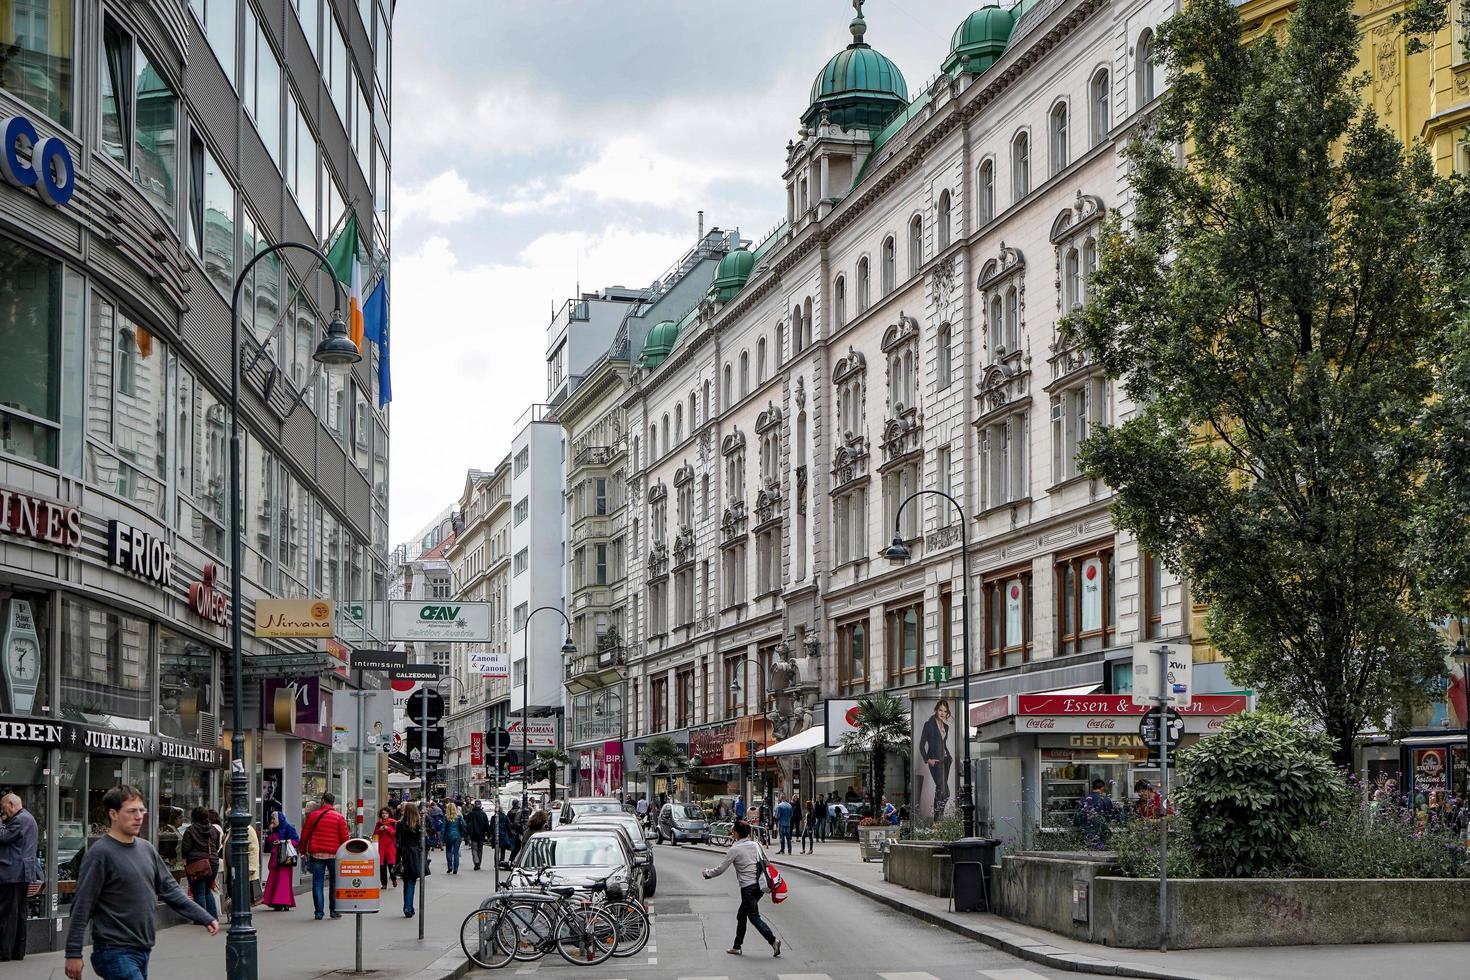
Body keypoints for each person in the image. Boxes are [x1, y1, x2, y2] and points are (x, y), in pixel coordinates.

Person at [64, 785, 218, 980]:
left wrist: (204, 916)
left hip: (142, 949)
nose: (139, 816)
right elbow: (82, 905)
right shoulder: (100, 854)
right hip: (113, 951)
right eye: (131, 811)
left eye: (141, 810)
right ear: (113, 814)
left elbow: (171, 890)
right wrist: (73, 953)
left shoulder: (146, 849)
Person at [701, 820, 781, 958]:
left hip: (748, 888)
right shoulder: (756, 844)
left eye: (733, 830)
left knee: (753, 916)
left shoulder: (735, 849)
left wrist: (707, 873)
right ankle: (737, 946)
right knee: (741, 915)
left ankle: (773, 940)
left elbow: (721, 869)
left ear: (736, 833)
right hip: (760, 886)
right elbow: (766, 861)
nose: (732, 832)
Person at [0, 793, 39, 961]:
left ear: (11, 804)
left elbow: (3, 837)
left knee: (8, 913)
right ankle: (17, 951)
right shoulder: (27, 818)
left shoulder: (20, 819)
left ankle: (4, 952)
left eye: (3, 809)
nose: (3, 812)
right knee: (19, 912)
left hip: (12, 872)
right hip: (20, 872)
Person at [301, 793, 349, 920]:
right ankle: (334, 911)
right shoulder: (339, 817)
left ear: (323, 801)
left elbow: (305, 835)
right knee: (334, 882)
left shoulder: (313, 816)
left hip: (316, 853)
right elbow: (345, 838)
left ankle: (318, 912)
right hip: (334, 854)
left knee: (317, 883)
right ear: (333, 803)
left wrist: (302, 851)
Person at [180, 808, 221, 919]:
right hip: (213, 862)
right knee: (207, 890)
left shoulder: (190, 830)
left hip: (197, 863)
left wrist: (185, 858)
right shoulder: (214, 830)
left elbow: (186, 848)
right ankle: (213, 916)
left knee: (199, 892)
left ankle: (201, 918)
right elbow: (217, 845)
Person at [920, 699, 954, 821]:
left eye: (945, 711)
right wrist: (927, 759)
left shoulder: (946, 727)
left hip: (945, 761)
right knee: (943, 789)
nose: (942, 713)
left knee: (942, 791)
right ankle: (938, 818)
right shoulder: (929, 724)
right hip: (935, 761)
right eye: (940, 710)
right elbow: (921, 745)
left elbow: (943, 744)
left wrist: (949, 756)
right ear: (936, 710)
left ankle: (938, 818)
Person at [262, 811, 299, 911]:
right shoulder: (274, 830)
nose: (272, 821)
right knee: (274, 879)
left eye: (274, 818)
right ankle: (277, 902)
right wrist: (270, 832)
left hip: (284, 859)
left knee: (283, 881)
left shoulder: (288, 827)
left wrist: (283, 842)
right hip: (275, 858)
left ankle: (283, 902)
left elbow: (296, 841)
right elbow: (269, 843)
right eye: (272, 818)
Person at [395, 803, 424, 918]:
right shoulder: (418, 825)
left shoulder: (401, 824)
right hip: (415, 853)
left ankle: (407, 906)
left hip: (404, 852)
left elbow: (397, 839)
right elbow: (422, 839)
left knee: (407, 881)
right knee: (411, 880)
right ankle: (408, 906)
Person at [1075, 778, 1118, 846]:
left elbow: (1077, 817)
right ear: (1102, 788)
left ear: (1092, 787)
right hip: (1101, 834)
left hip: (1086, 833)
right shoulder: (1105, 800)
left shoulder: (1083, 799)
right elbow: (1112, 816)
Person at [372, 807, 398, 889]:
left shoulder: (393, 822)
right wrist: (379, 830)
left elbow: (395, 834)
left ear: (389, 814)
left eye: (386, 813)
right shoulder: (379, 823)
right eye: (383, 813)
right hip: (381, 847)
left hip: (390, 846)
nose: (384, 815)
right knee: (382, 866)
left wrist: (387, 828)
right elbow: (374, 835)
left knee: (391, 865)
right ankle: (384, 883)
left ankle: (393, 879)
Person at [465, 800, 490, 871]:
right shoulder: (483, 814)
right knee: (480, 850)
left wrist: (468, 832)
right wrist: (488, 834)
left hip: (473, 834)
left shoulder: (471, 814)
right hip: (481, 834)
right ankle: (478, 864)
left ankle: (476, 861)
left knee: (474, 849)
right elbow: (486, 825)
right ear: (480, 805)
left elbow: (466, 823)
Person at [443, 802, 464, 874]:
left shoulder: (446, 817)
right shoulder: (459, 817)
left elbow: (443, 829)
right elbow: (463, 826)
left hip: (448, 835)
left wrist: (441, 839)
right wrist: (462, 835)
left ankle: (450, 866)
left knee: (448, 851)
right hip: (457, 835)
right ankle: (456, 868)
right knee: (456, 852)